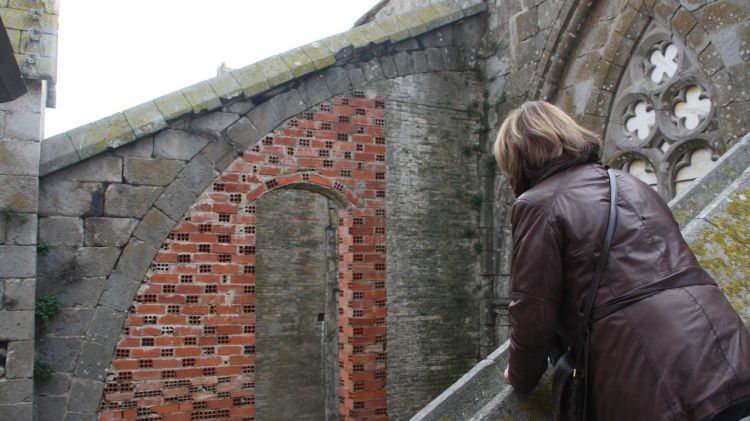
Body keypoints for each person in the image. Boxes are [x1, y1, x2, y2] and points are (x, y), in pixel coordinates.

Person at [493, 101, 750, 420]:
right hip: (719, 343)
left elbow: (533, 311)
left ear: (515, 155)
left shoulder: (536, 204)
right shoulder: (626, 181)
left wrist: (519, 376)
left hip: (648, 368)